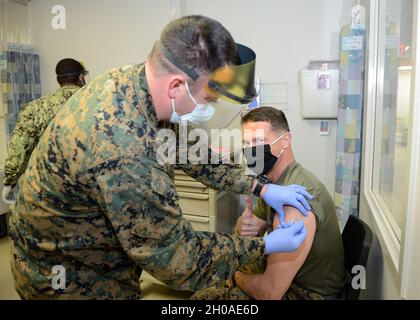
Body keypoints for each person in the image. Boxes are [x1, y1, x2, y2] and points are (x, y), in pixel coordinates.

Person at [9, 16, 311, 300]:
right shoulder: (124, 150)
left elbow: (195, 155)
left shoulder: (137, 85)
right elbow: (179, 260)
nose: (206, 107)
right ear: (177, 85)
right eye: (207, 99)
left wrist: (261, 188)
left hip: (96, 254)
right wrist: (264, 245)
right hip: (69, 276)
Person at [192, 107, 348, 300]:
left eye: (258, 141)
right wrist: (244, 225)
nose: (251, 150)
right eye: (246, 143)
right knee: (215, 275)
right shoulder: (274, 186)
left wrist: (237, 276)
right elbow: (250, 230)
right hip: (285, 281)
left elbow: (270, 293)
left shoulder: (297, 199)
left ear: (285, 141)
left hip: (304, 294)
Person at [1, 58, 88, 205]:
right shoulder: (94, 105)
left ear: (58, 80)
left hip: (46, 192)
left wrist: (10, 181)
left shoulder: (35, 108)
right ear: (81, 77)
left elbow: (19, 152)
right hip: (86, 193)